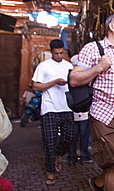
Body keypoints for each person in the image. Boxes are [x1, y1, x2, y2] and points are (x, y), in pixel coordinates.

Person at [69, 12, 114, 191]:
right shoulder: (93, 49)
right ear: (112, 26)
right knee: (112, 165)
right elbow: (74, 79)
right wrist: (99, 67)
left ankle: (96, 183)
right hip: (103, 114)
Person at [32, 39, 74, 186]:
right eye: (56, 53)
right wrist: (54, 82)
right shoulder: (43, 66)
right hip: (49, 108)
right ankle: (50, 171)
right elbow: (35, 87)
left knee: (68, 138)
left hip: (67, 107)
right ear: (51, 52)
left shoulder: (69, 66)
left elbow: (74, 83)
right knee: (49, 141)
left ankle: (57, 155)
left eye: (61, 53)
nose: (59, 56)